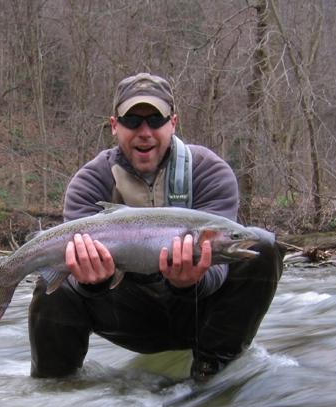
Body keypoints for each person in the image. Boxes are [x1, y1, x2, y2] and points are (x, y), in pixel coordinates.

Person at [28, 72, 284, 381]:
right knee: (50, 285)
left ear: (173, 122)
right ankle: (56, 390)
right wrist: (91, 281)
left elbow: (219, 270)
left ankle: (211, 375)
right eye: (132, 121)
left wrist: (190, 283)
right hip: (124, 312)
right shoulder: (90, 182)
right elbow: (78, 279)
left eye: (156, 120)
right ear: (114, 126)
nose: (144, 132)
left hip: (195, 311)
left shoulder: (209, 172)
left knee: (261, 246)